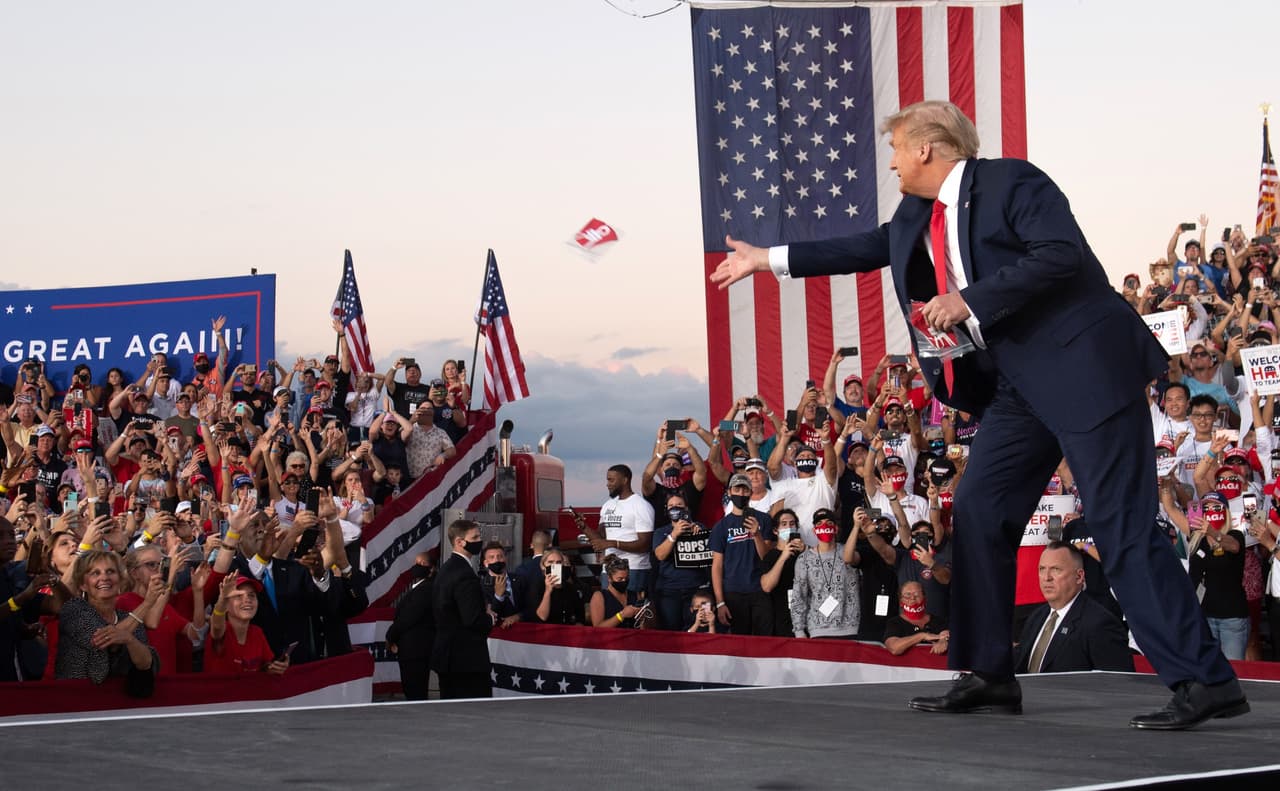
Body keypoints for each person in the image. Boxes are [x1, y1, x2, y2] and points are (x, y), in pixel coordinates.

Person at [711, 100, 1244, 729]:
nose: (892, 161)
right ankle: (989, 673)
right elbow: (865, 245)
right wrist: (766, 259)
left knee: (1120, 527)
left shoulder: (1014, 181)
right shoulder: (916, 214)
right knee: (980, 508)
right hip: (1019, 388)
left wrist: (968, 300)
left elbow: (1061, 255)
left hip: (1084, 371)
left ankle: (1205, 680)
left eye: (897, 149)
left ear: (928, 149)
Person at [1013, 542, 1134, 674]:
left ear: (1079, 576)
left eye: (1056, 569)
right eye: (1042, 569)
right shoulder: (1037, 617)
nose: (1046, 578)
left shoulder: (1100, 624)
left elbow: (1119, 687)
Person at [54, 550, 158, 695]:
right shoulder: (73, 609)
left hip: (119, 703)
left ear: (120, 580)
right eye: (95, 573)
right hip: (75, 699)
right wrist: (148, 603)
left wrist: (130, 640)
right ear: (83, 585)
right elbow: (102, 640)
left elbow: (146, 663)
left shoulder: (128, 618)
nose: (104, 577)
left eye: (110, 572)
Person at [431, 519, 495, 699]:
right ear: (459, 542)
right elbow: (472, 619)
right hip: (466, 661)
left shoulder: (446, 569)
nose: (479, 541)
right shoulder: (464, 575)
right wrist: (490, 617)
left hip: (448, 656)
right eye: (474, 537)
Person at [789, 508, 861, 639]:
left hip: (850, 628)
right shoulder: (804, 559)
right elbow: (798, 596)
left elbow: (851, 559)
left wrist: (857, 525)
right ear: (814, 530)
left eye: (829, 523)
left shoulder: (847, 551)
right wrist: (799, 631)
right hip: (818, 630)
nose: (824, 526)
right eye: (819, 524)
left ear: (836, 528)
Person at [385, 553, 435, 701]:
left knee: (415, 691)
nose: (417, 566)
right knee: (411, 689)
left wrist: (390, 636)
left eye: (422, 563)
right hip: (410, 649)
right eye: (416, 562)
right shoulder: (417, 588)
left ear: (431, 569)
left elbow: (407, 617)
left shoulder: (426, 589)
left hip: (416, 650)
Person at [882, 581, 949, 656]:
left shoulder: (938, 621)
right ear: (901, 601)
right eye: (908, 595)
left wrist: (944, 640)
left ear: (924, 598)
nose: (913, 598)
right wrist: (922, 636)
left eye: (917, 594)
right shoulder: (895, 623)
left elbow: (947, 634)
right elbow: (894, 648)